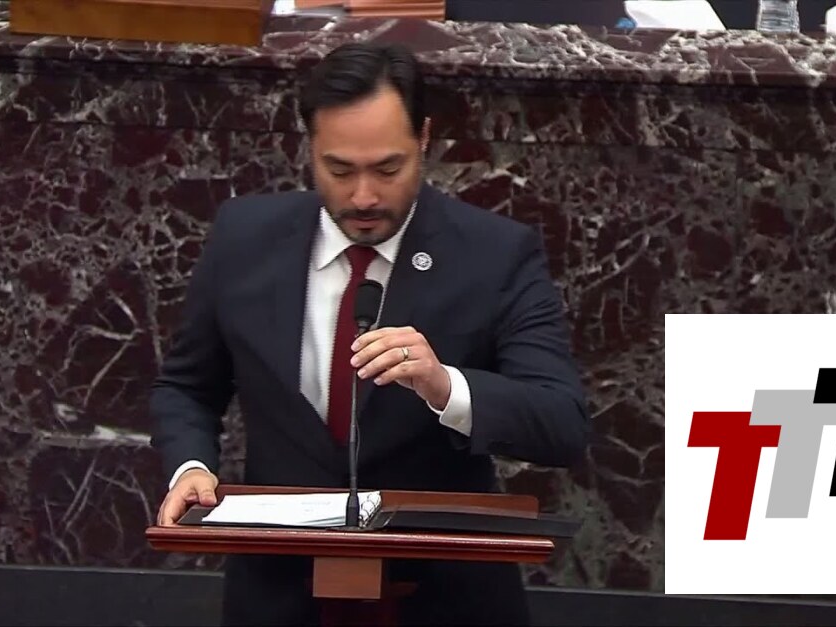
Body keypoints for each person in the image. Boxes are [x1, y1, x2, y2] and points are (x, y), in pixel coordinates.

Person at [150, 42, 589, 626]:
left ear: (424, 139)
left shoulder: (495, 255)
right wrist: (191, 468)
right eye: (339, 170)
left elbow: (562, 423)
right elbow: (187, 387)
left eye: (387, 169)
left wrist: (446, 388)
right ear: (309, 147)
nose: (363, 196)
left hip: (443, 599)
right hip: (278, 595)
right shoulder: (243, 238)